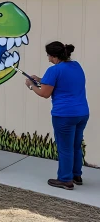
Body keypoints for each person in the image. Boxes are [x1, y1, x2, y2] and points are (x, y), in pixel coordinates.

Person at [25, 41, 89, 190]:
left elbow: (44, 93)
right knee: (75, 145)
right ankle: (76, 175)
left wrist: (30, 85)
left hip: (64, 115)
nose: (47, 58)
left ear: (54, 56)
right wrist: (40, 80)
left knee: (65, 148)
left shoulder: (54, 70)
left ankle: (65, 180)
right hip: (82, 113)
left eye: (48, 55)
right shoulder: (76, 66)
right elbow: (62, 82)